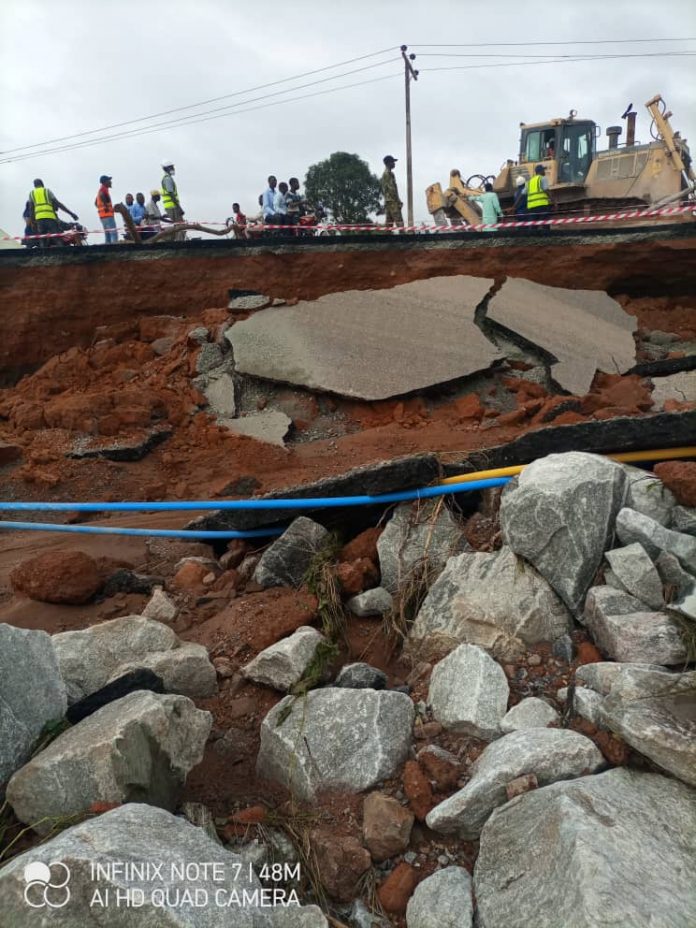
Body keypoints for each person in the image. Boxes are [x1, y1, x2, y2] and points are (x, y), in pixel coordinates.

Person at [29, 178, 78, 247]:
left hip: (39, 219)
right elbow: (58, 203)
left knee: (42, 239)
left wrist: (32, 222)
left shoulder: (31, 194)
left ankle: (43, 253)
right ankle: (62, 252)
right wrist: (71, 214)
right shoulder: (47, 191)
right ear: (42, 184)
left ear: (34, 186)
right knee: (57, 238)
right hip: (50, 218)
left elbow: (31, 208)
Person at [161, 160, 185, 240]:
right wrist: (179, 208)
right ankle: (179, 243)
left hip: (171, 206)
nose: (173, 169)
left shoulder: (167, 178)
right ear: (166, 168)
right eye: (171, 167)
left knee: (177, 226)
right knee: (181, 226)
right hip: (173, 206)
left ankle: (176, 242)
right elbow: (171, 194)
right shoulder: (167, 179)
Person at [380, 155, 403, 227]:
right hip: (393, 202)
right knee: (400, 224)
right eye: (393, 162)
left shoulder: (388, 174)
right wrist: (398, 202)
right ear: (388, 163)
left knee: (388, 226)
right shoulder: (387, 174)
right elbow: (392, 189)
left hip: (388, 202)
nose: (394, 163)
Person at [95, 175, 117, 244]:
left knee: (108, 236)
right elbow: (102, 195)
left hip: (102, 216)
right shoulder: (103, 189)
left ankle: (108, 248)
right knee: (113, 234)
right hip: (108, 215)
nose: (110, 182)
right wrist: (106, 207)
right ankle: (115, 248)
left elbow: (95, 203)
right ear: (105, 182)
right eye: (109, 180)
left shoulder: (100, 190)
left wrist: (102, 208)